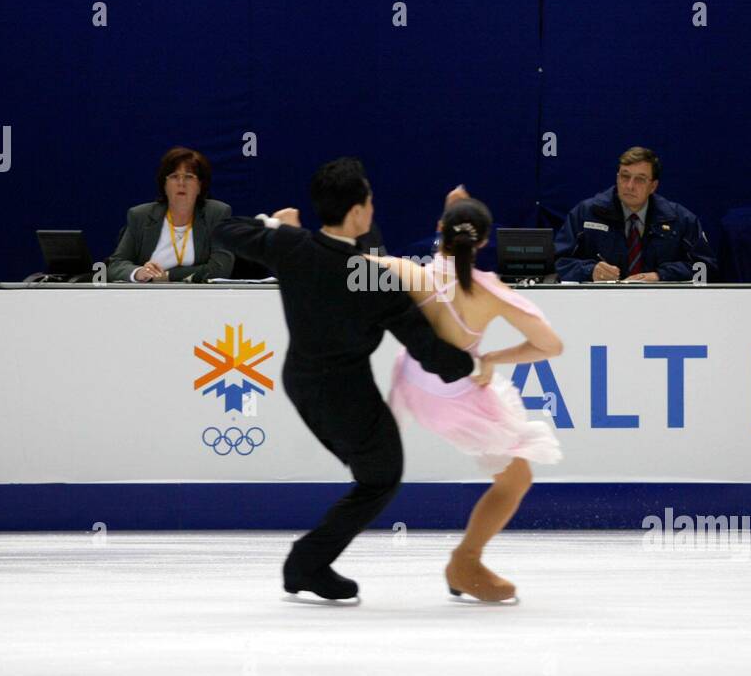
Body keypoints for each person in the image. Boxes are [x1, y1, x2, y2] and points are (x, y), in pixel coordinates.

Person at [213, 158, 474, 603]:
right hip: (347, 394)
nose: (373, 208)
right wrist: (469, 366)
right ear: (356, 211)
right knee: (381, 476)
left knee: (372, 472)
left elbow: (224, 230)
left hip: (300, 381)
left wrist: (274, 226)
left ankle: (308, 562)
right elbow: (428, 349)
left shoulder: (293, 247)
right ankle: (306, 564)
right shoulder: (374, 279)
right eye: (369, 201)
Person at [374, 192, 562, 603]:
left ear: (439, 229)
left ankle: (465, 563)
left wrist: (286, 233)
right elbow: (550, 345)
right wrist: (492, 358)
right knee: (516, 479)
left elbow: (338, 265)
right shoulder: (490, 290)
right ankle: (466, 560)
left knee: (512, 473)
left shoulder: (408, 271)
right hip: (457, 402)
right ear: (482, 243)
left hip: (412, 386)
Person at [554, 146, 717, 282]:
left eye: (640, 179)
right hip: (599, 304)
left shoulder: (680, 219)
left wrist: (661, 276)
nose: (630, 186)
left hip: (662, 305)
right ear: (617, 178)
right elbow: (556, 263)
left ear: (653, 186)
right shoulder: (586, 213)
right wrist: (590, 271)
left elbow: (705, 267)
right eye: (625, 177)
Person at [108, 147, 234, 283]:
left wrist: (168, 276)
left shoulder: (216, 214)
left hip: (199, 298)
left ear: (200, 186)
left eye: (189, 177)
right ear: (164, 185)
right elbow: (115, 264)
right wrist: (139, 272)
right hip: (148, 297)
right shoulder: (141, 216)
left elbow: (220, 268)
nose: (181, 183)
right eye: (174, 177)